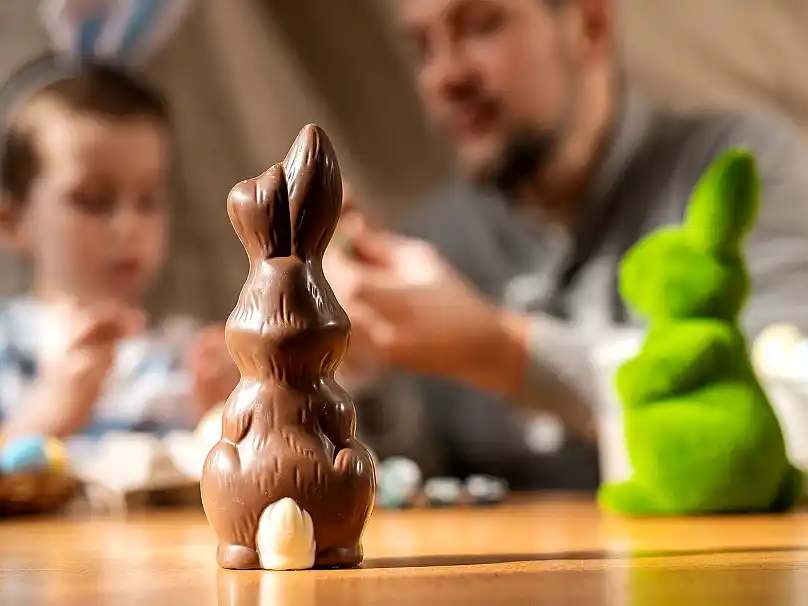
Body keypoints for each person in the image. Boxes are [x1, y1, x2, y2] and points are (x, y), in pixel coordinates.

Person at [324, 0, 808, 490]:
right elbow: (417, 480)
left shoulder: (740, 174)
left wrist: (506, 351)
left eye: (480, 26)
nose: (443, 76)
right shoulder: (435, 240)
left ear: (590, 25)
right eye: (423, 46)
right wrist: (354, 371)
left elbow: (788, 415)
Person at [0, 54, 239, 441]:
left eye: (148, 199)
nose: (128, 227)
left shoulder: (187, 357)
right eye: (93, 200)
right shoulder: (6, 347)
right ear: (12, 221)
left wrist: (228, 418)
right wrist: (47, 417)